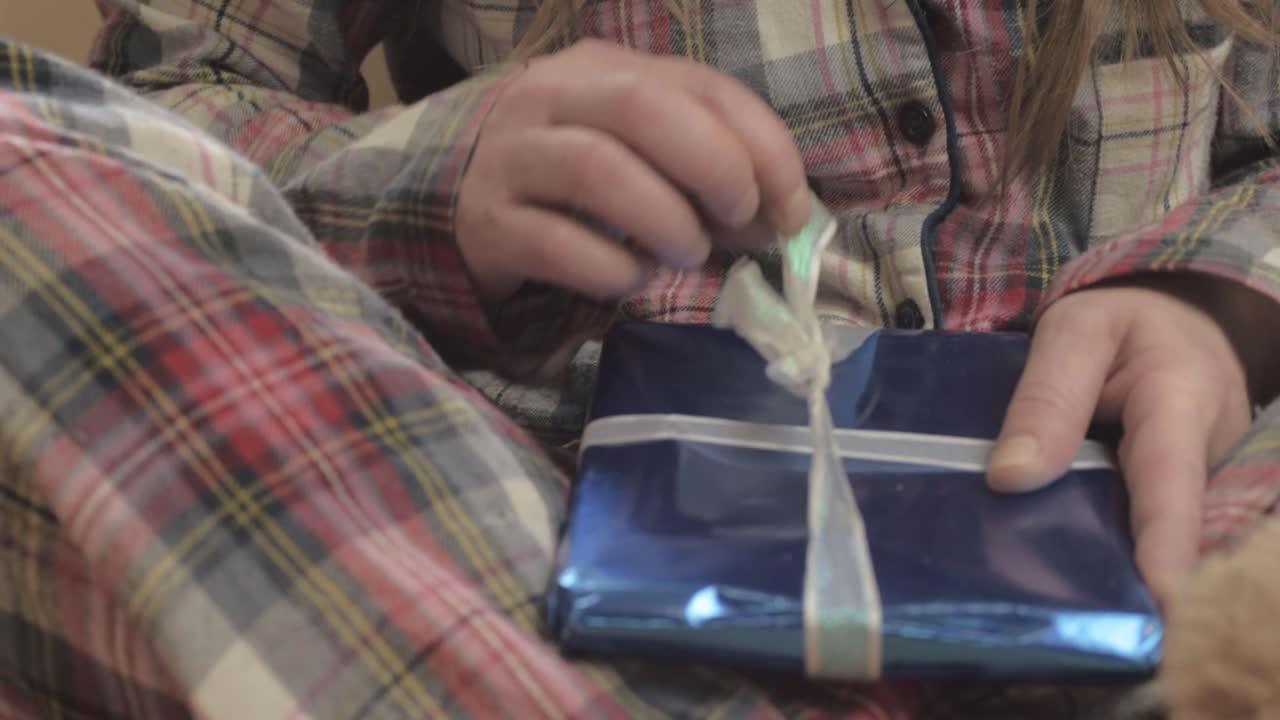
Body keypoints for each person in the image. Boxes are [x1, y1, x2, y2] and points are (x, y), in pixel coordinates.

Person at [0, 0, 1276, 716]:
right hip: (542, 533)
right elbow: (166, 110)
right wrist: (437, 170)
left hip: (1179, 506)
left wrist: (1218, 302)